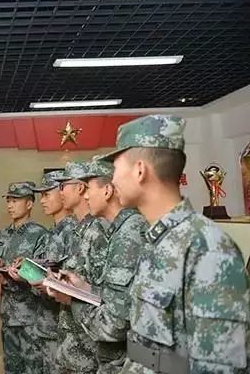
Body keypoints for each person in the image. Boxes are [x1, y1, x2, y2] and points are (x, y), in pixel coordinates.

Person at [99, 114, 250, 373]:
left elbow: (221, 365)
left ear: (139, 170)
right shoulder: (157, 240)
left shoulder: (206, 248)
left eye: (115, 168)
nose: (112, 181)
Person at [58, 157, 147, 374]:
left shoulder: (129, 233)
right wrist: (84, 288)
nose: (86, 196)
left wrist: (72, 300)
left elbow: (115, 325)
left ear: (107, 191)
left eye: (88, 188)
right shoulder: (119, 230)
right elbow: (119, 296)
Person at [50, 161, 109, 374]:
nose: (60, 192)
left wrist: (69, 292)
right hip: (70, 339)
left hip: (87, 346)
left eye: (63, 186)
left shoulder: (98, 231)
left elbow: (103, 293)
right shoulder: (77, 230)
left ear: (80, 188)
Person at [0, 181, 46, 374]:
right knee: (11, 367)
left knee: (33, 368)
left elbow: (43, 277)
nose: (10, 205)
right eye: (8, 201)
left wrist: (17, 276)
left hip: (31, 317)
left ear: (29, 204)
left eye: (15, 201)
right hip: (8, 315)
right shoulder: (3, 235)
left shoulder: (40, 234)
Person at [30, 170, 78, 373]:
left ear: (62, 192)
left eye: (46, 194)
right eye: (41, 196)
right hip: (45, 321)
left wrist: (51, 283)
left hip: (62, 326)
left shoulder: (73, 231)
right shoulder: (52, 232)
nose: (42, 201)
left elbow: (75, 281)